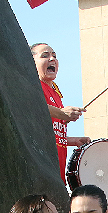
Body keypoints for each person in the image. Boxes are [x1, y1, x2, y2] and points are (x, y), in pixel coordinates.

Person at [32, 43, 91, 181]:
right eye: (45, 55)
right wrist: (61, 113)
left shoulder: (57, 93)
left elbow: (52, 136)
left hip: (57, 174)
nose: (52, 59)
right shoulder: (32, 85)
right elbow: (32, 105)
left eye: (54, 56)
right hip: (40, 173)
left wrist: (73, 140)